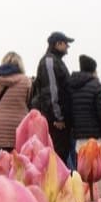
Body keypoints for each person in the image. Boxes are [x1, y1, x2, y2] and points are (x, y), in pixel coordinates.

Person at [32, 32, 74, 161]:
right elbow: (51, 90)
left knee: (62, 154)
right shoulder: (49, 61)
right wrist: (58, 117)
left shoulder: (56, 61)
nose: (68, 47)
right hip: (55, 121)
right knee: (57, 156)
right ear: (58, 44)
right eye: (66, 43)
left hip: (60, 118)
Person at [0, 53, 31, 153]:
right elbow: (28, 100)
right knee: (20, 159)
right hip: (19, 124)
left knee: (2, 158)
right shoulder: (26, 80)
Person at [68, 55, 101, 148]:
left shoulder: (71, 85)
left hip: (79, 138)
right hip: (96, 138)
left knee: (81, 162)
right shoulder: (96, 86)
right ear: (93, 70)